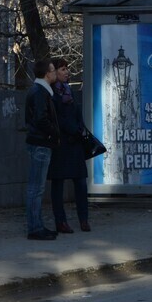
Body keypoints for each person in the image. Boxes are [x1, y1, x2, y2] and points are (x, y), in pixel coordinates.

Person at [48, 58, 91, 233]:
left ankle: (84, 219)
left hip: (75, 144)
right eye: (63, 69)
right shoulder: (51, 93)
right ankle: (61, 221)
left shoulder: (69, 91)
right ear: (55, 72)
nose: (67, 72)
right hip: (60, 144)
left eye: (67, 69)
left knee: (80, 182)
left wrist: (81, 129)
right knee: (58, 183)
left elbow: (76, 113)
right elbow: (58, 118)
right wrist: (74, 129)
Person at [24, 59, 59, 240]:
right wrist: (55, 133)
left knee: (36, 188)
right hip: (41, 143)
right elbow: (41, 119)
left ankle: (37, 226)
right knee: (35, 189)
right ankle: (35, 228)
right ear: (47, 73)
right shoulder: (40, 92)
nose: (55, 74)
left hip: (40, 142)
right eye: (53, 70)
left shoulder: (40, 91)